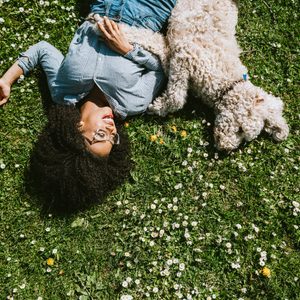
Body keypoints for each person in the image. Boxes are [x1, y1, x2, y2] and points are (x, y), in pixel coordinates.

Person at [0, 0, 176, 212]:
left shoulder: (62, 92)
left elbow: (42, 51)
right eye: (113, 138)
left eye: (101, 135)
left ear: (77, 130)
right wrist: (128, 50)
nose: (111, 130)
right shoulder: (132, 103)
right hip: (149, 10)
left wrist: (7, 80)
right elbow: (162, 69)